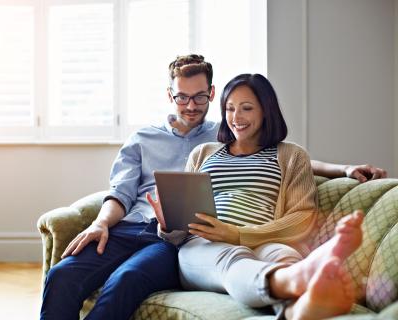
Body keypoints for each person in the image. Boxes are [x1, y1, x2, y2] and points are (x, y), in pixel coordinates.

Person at [40, 54, 384, 320]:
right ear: (170, 95)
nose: (191, 106)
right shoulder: (167, 142)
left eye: (199, 98)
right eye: (182, 98)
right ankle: (298, 280)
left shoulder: (240, 135)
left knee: (129, 279)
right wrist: (104, 222)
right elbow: (122, 190)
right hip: (156, 230)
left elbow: (290, 159)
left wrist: (344, 168)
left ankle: (304, 290)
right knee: (62, 276)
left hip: (209, 237)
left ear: (211, 94)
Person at [147, 73, 364, 319]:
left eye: (246, 108)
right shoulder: (203, 153)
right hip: (205, 247)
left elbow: (302, 217)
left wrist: (238, 234)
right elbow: (181, 232)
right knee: (232, 258)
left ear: (265, 111)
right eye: (229, 109)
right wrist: (168, 225)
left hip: (264, 241)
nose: (236, 118)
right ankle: (301, 277)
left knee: (285, 256)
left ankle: (298, 310)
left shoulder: (291, 155)